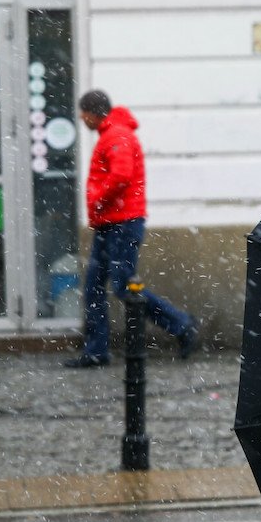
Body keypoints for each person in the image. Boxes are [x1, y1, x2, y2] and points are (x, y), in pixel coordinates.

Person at [65, 90, 198, 368]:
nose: (80, 118)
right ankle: (97, 351)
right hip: (111, 224)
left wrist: (98, 200)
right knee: (93, 288)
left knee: (125, 287)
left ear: (92, 112)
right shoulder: (112, 134)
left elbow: (121, 176)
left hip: (122, 224)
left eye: (82, 112)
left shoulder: (117, 135)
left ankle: (182, 325)